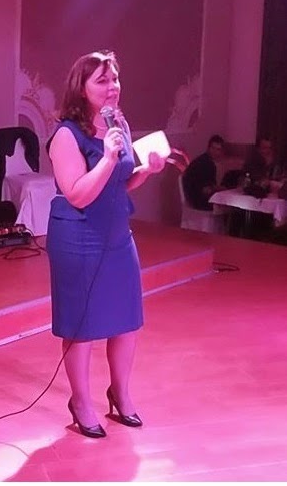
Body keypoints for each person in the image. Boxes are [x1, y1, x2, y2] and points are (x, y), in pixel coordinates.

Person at [46, 50, 166, 439]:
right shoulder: (66, 135)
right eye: (102, 80)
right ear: (80, 87)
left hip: (117, 235)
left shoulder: (117, 124)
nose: (112, 87)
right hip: (78, 236)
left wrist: (146, 169)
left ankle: (120, 393)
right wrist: (109, 159)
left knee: (126, 321)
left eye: (114, 78)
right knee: (81, 326)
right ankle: (81, 401)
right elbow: (78, 194)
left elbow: (120, 183)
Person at [182, 134, 225, 211]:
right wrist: (222, 189)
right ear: (208, 148)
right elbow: (206, 189)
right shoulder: (207, 164)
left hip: (191, 197)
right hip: (198, 199)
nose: (215, 152)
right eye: (213, 148)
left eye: (218, 149)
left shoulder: (202, 160)